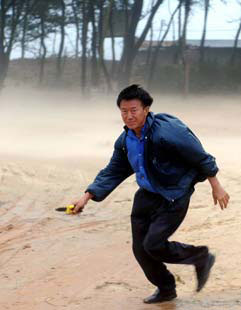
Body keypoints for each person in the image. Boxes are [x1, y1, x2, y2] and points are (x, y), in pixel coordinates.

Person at [71, 84, 230, 304]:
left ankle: (200, 257)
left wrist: (216, 185)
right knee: (140, 250)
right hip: (146, 196)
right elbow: (114, 170)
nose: (128, 116)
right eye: (124, 111)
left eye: (133, 110)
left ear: (146, 109)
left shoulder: (167, 132)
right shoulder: (126, 140)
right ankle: (166, 289)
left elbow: (200, 156)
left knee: (153, 244)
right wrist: (87, 196)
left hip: (173, 195)